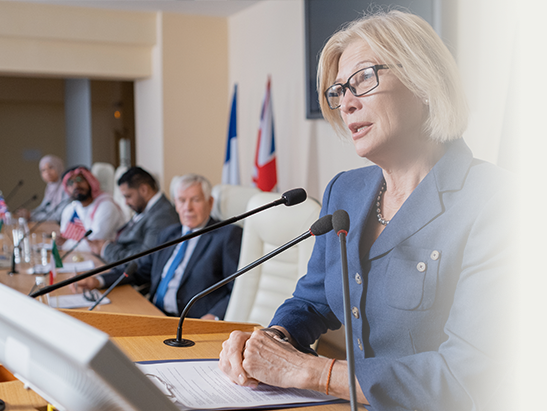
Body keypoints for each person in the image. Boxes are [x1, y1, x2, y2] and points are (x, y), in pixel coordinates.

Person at [219, 10, 514, 410]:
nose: (347, 104)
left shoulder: (497, 201)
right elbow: (313, 301)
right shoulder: (346, 190)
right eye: (339, 90)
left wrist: (310, 372)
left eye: (363, 79)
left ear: (423, 81)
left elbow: (467, 377)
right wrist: (275, 339)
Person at [78, 174, 243, 320]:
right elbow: (140, 270)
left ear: (210, 202)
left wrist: (214, 316)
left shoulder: (228, 235)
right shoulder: (168, 234)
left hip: (193, 322)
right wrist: (98, 280)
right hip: (155, 314)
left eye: (195, 200)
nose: (188, 208)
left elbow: (238, 289)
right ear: (176, 204)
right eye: (182, 200)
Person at [87, 166, 179, 263]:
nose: (126, 203)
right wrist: (107, 245)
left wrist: (106, 249)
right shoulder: (145, 209)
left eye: (128, 196)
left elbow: (144, 259)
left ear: (144, 190)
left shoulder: (162, 215)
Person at [57, 165, 125, 253]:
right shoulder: (70, 209)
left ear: (90, 181)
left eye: (79, 180)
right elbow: (64, 236)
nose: (76, 185)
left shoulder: (106, 206)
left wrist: (66, 244)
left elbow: (94, 244)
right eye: (70, 182)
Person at [17, 155, 69, 223]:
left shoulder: (66, 187)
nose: (47, 172)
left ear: (59, 167)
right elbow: (43, 208)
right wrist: (28, 213)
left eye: (51, 167)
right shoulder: (50, 188)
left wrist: (32, 216)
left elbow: (58, 216)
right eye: (43, 170)